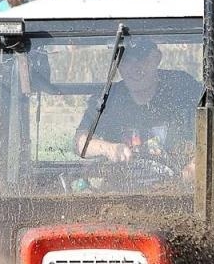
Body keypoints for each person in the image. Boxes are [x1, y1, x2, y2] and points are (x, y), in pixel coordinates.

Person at [74, 39, 200, 174]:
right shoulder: (107, 99)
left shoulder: (183, 89)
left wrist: (194, 168)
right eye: (126, 60)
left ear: (156, 58)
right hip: (123, 189)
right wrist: (109, 149)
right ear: (118, 64)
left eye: (141, 58)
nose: (134, 68)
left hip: (178, 188)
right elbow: (80, 143)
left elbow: (212, 137)